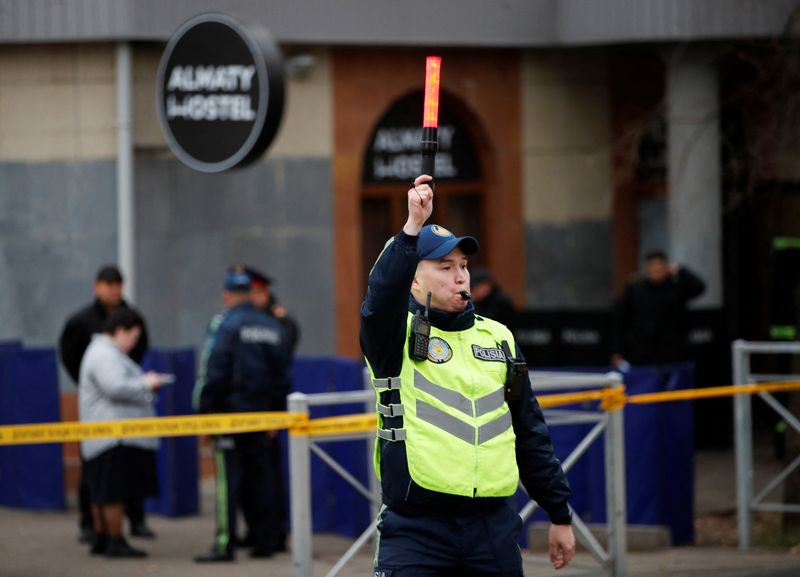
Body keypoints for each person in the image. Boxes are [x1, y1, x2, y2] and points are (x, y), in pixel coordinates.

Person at [360, 174, 575, 576]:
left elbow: (529, 430)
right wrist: (410, 230)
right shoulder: (393, 333)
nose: (460, 276)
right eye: (445, 267)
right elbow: (378, 300)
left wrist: (558, 512)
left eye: (463, 265)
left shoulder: (500, 337)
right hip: (415, 530)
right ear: (415, 278)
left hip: (491, 529)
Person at [193, 267, 292, 562]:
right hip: (264, 418)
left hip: (230, 415)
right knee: (261, 479)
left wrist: (205, 407)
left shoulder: (224, 325)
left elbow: (214, 368)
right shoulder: (272, 326)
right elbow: (282, 377)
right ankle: (264, 541)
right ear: (250, 294)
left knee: (228, 482)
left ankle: (225, 544)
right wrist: (277, 414)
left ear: (226, 295)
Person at [58, 265, 155, 543]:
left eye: (118, 284)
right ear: (96, 286)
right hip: (102, 409)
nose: (113, 290)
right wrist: (93, 384)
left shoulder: (133, 316)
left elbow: (139, 353)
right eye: (108, 284)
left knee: (127, 475)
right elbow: (69, 355)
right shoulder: (82, 323)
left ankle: (136, 521)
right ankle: (93, 527)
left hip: (125, 411)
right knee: (99, 475)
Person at [78, 308, 168, 558]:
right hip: (111, 436)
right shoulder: (105, 355)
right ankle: (114, 540)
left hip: (104, 435)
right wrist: (146, 384)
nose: (134, 344)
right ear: (120, 331)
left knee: (102, 490)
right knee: (111, 492)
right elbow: (115, 387)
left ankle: (104, 538)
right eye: (133, 337)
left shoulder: (103, 352)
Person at [241, 265, 299, 552]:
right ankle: (255, 530)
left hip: (269, 409)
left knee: (267, 479)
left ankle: (273, 533)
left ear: (263, 292)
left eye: (253, 292)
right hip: (250, 410)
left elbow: (279, 372)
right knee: (250, 478)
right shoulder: (249, 321)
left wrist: (276, 415)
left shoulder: (279, 323)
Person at [612, 250, 706, 367]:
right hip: (642, 351)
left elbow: (699, 287)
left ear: (666, 266)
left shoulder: (676, 285)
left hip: (673, 351)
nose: (656, 269)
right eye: (652, 266)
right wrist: (618, 350)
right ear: (647, 268)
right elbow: (622, 320)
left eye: (659, 265)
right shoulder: (635, 288)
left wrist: (681, 271)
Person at [469, 266, 517, 331]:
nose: (475, 292)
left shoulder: (501, 302)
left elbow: (486, 321)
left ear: (487, 286)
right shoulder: (481, 300)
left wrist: (473, 302)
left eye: (477, 288)